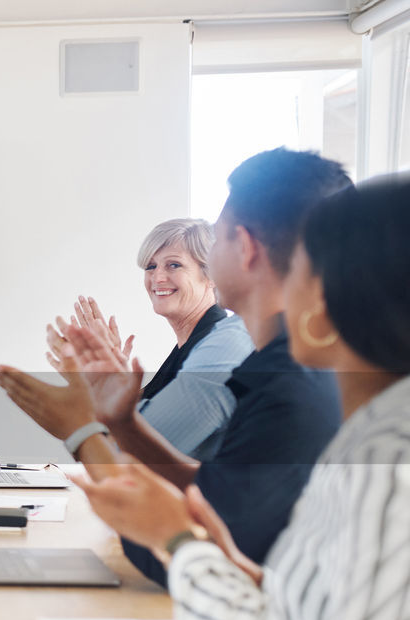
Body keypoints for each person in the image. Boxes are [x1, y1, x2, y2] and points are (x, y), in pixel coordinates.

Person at [72, 175, 410, 620]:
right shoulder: (368, 435)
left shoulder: (389, 461)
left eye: (305, 271)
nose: (287, 295)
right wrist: (226, 560)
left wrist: (180, 541)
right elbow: (308, 608)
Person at [54, 149, 350, 587]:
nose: (159, 276)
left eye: (219, 240)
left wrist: (79, 427)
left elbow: (210, 558)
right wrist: (119, 418)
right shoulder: (291, 363)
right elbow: (215, 486)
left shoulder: (278, 376)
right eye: (153, 266)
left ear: (244, 248)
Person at [0, 219, 254, 461]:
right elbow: (143, 421)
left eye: (173, 265)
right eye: (150, 267)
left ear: (211, 275)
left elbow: (135, 453)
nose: (158, 278)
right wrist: (106, 381)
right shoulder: (188, 347)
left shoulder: (218, 347)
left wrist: (82, 412)